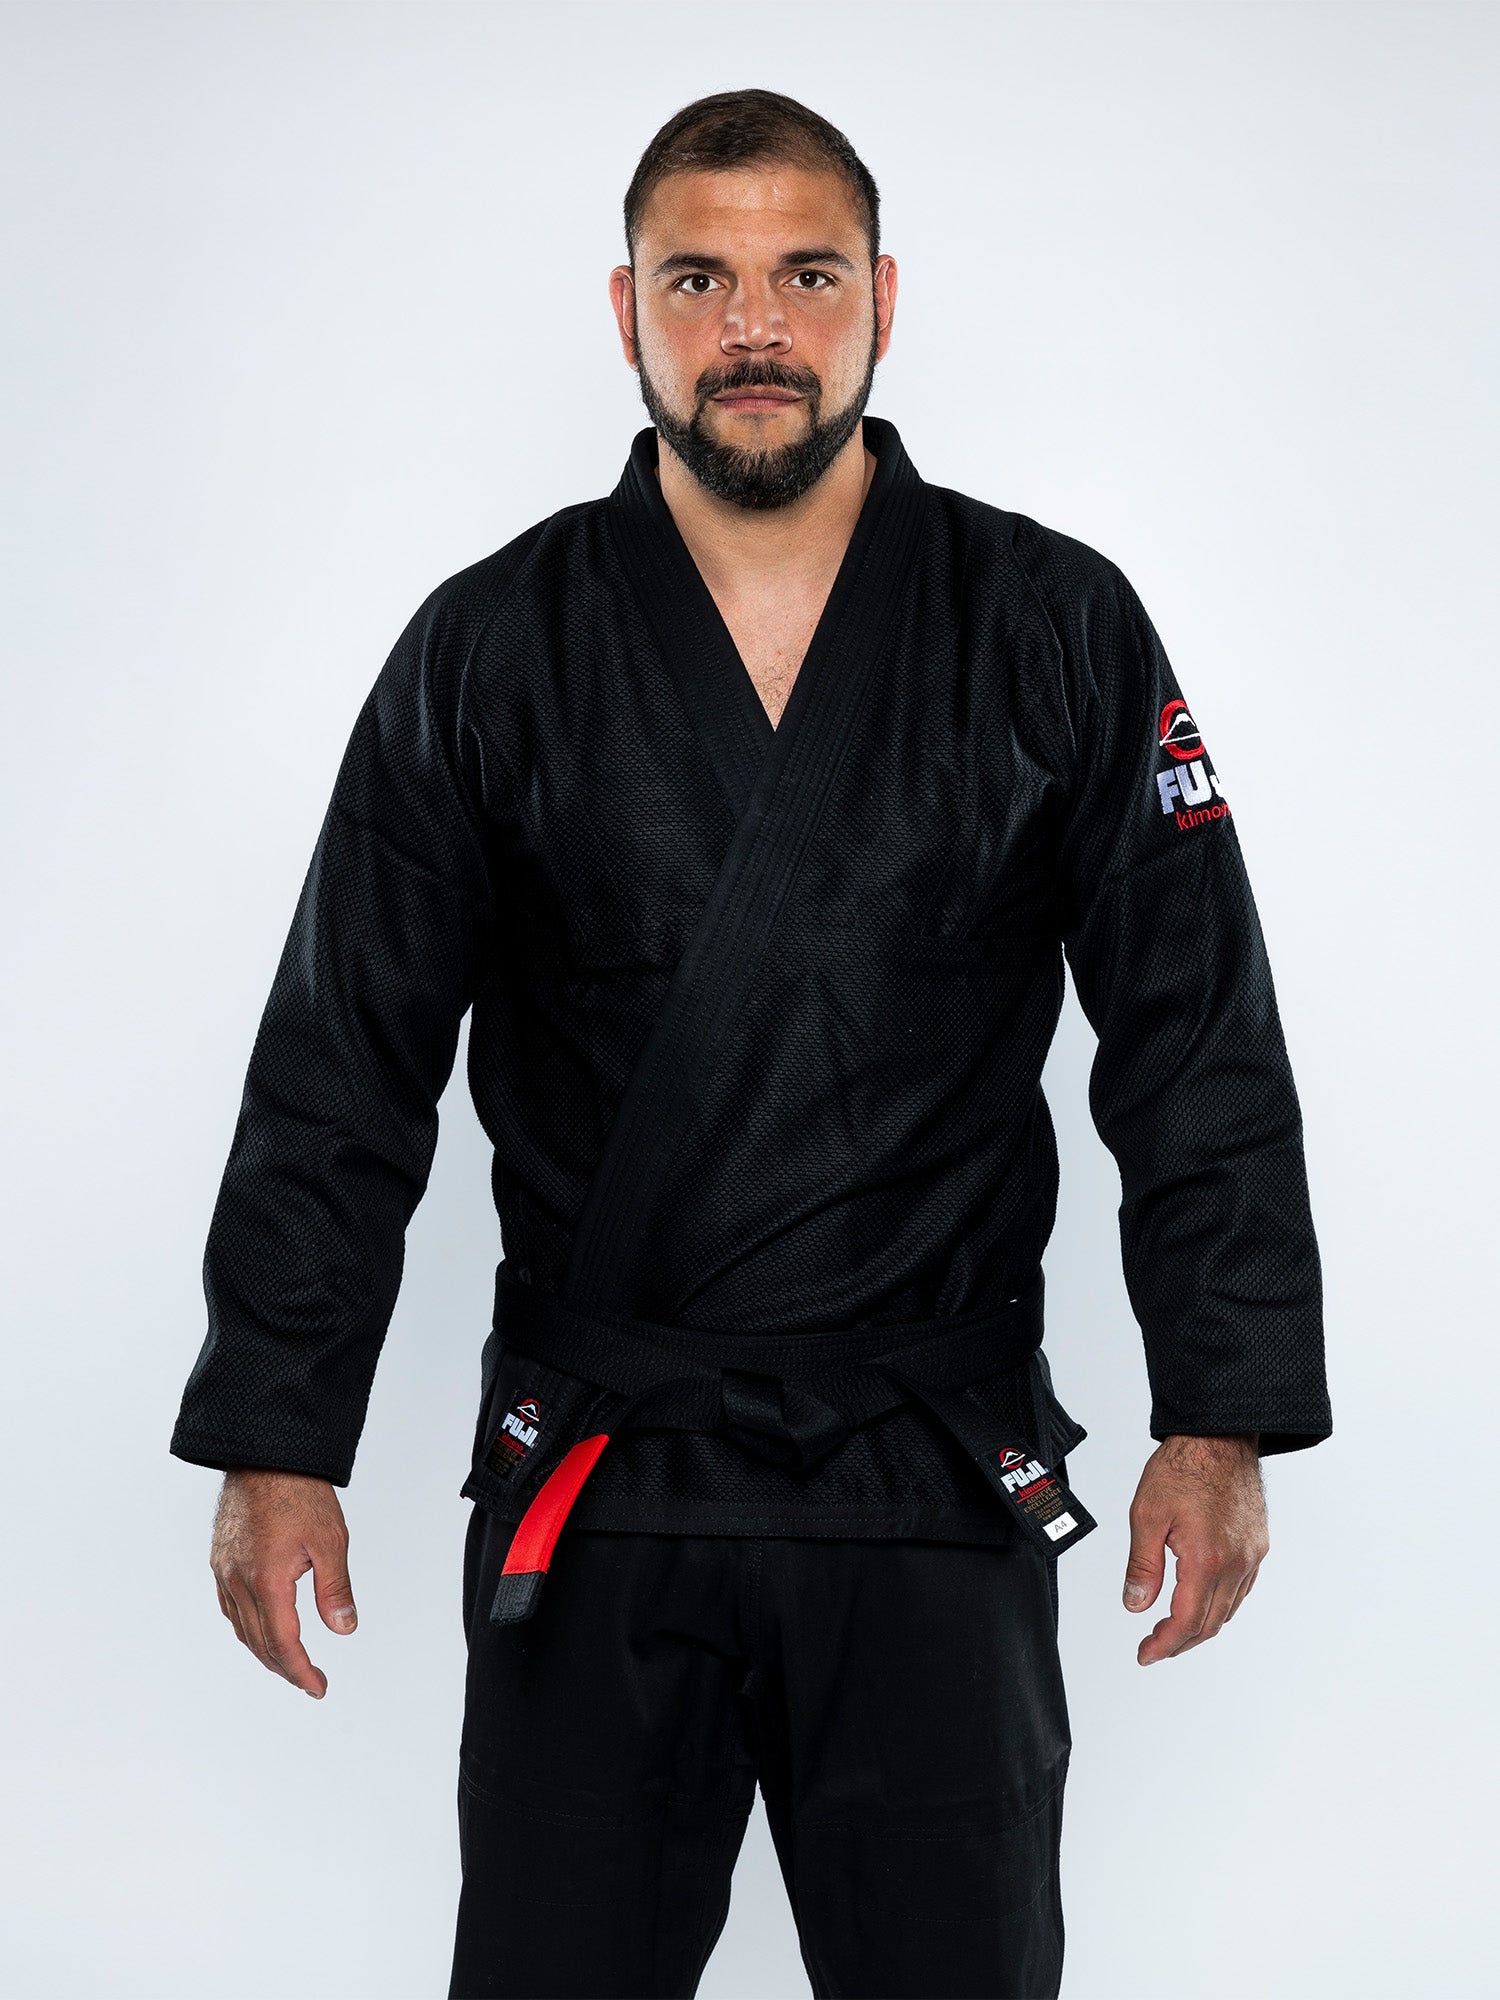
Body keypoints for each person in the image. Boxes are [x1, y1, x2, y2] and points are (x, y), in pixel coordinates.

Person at [171, 88, 1331, 2000]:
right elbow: (339, 1060)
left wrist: (1223, 1412)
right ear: (623, 308)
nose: (753, 326)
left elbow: (1197, 1037)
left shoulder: (1053, 627)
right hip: (603, 1472)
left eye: (803, 274)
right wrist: (277, 1436)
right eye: (698, 278)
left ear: (882, 297)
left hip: (932, 1470)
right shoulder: (491, 646)